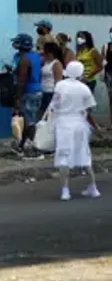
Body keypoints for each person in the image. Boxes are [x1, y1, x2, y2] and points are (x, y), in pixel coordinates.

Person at [51, 61, 101, 201]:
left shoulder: (61, 85)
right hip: (80, 124)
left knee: (64, 156)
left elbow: (54, 104)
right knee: (84, 154)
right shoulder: (84, 88)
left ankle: (65, 191)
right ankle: (93, 187)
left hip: (63, 124)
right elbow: (89, 108)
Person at [41, 42, 64, 116]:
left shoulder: (56, 64)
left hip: (51, 92)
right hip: (43, 91)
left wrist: (56, 96)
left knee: (50, 115)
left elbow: (58, 81)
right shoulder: (45, 62)